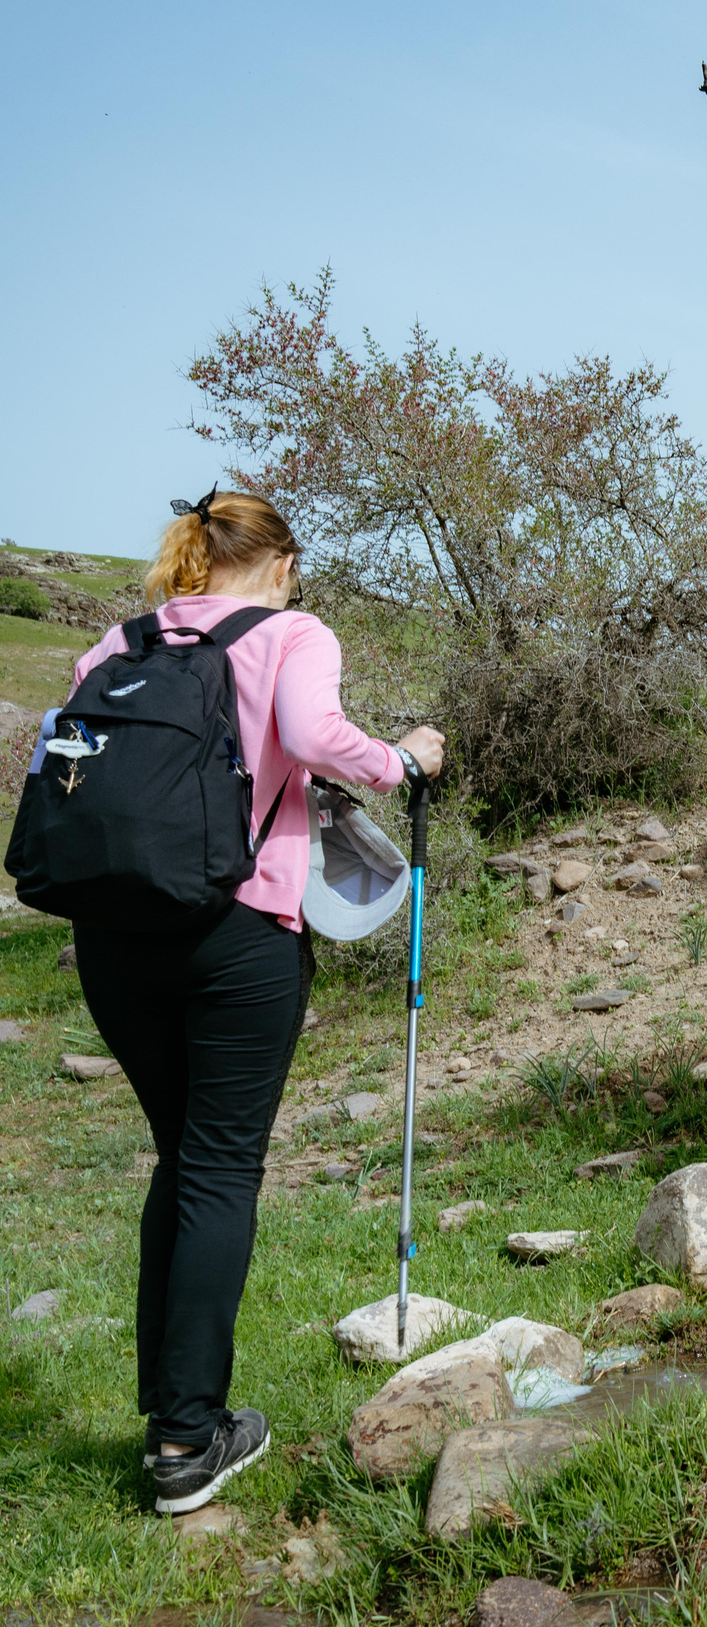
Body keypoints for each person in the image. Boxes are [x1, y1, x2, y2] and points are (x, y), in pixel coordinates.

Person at [66, 491, 444, 1515]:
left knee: (183, 1158)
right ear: (278, 561)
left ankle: (172, 1418)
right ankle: (188, 1442)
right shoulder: (291, 630)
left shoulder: (117, 640)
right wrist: (405, 758)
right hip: (236, 935)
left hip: (112, 938)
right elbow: (311, 734)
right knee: (221, 1167)